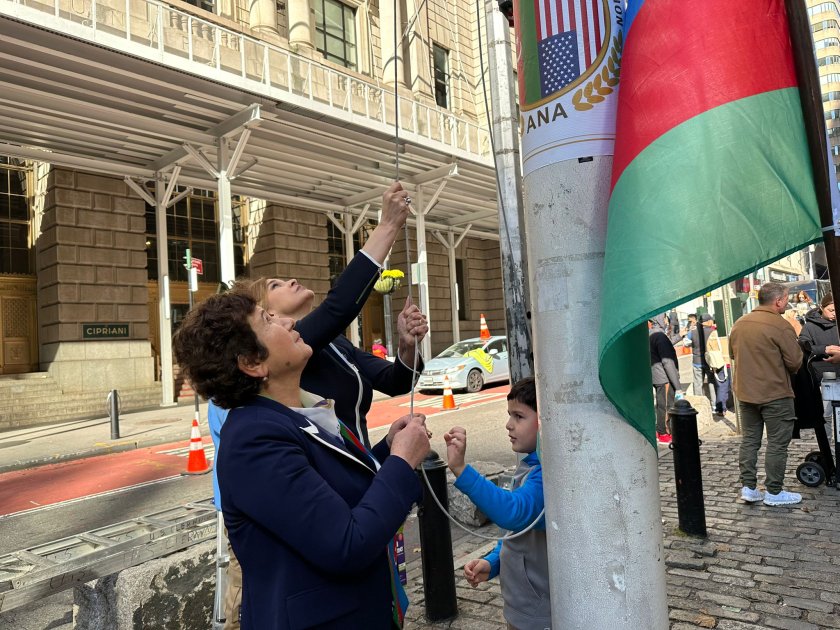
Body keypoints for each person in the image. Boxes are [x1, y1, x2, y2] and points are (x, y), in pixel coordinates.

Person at [207, 181, 428, 628]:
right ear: (251, 357)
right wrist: (386, 226)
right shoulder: (257, 433)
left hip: (364, 500)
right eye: (269, 309)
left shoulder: (326, 354)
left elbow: (392, 380)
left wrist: (388, 450)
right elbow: (339, 306)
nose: (290, 282)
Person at [174, 291, 431, 629]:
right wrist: (401, 462)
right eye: (268, 320)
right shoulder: (254, 440)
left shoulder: (294, 414)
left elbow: (332, 486)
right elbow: (347, 544)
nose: (289, 322)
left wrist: (387, 449)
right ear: (252, 363)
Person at [443, 377, 549, 630]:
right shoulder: (529, 466)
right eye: (509, 415)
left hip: (539, 615)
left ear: (547, 421)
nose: (508, 424)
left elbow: (513, 513)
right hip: (522, 608)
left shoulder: (546, 476)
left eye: (519, 416)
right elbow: (516, 533)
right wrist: (493, 561)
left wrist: (461, 470)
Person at [730, 282, 803, 506]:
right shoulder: (780, 325)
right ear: (778, 301)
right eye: (786, 299)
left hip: (746, 393)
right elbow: (795, 362)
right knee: (777, 444)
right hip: (775, 394)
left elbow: (733, 354)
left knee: (750, 441)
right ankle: (774, 491)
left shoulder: (739, 323)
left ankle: (749, 488)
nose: (787, 302)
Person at [797, 293, 840, 426]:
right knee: (826, 415)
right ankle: (827, 440)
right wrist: (824, 349)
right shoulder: (810, 327)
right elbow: (803, 347)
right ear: (821, 308)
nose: (834, 314)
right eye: (831, 310)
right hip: (823, 377)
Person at [685, 314, 730, 416]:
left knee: (698, 384)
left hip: (697, 362)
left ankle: (699, 406)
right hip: (710, 362)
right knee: (712, 383)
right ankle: (714, 406)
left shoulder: (693, 331)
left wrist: (693, 344)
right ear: (709, 321)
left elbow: (686, 343)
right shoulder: (713, 332)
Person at [650, 314, 683, 444]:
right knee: (666, 406)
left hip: (656, 375)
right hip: (664, 378)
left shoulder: (651, 333)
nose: (666, 320)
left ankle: (661, 430)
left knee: (660, 404)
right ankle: (664, 432)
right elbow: (667, 362)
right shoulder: (660, 336)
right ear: (660, 319)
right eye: (664, 318)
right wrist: (678, 386)